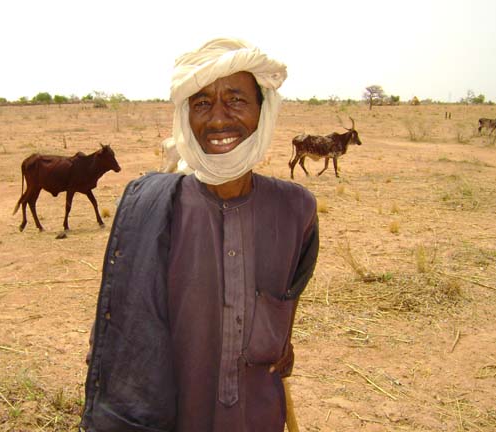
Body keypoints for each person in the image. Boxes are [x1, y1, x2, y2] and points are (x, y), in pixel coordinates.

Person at [81, 38, 319, 432]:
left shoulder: (297, 209)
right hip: (170, 416)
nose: (218, 119)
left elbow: (285, 304)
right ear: (185, 116)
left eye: (237, 100)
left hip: (257, 417)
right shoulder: (150, 204)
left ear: (263, 110)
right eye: (202, 103)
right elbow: (119, 324)